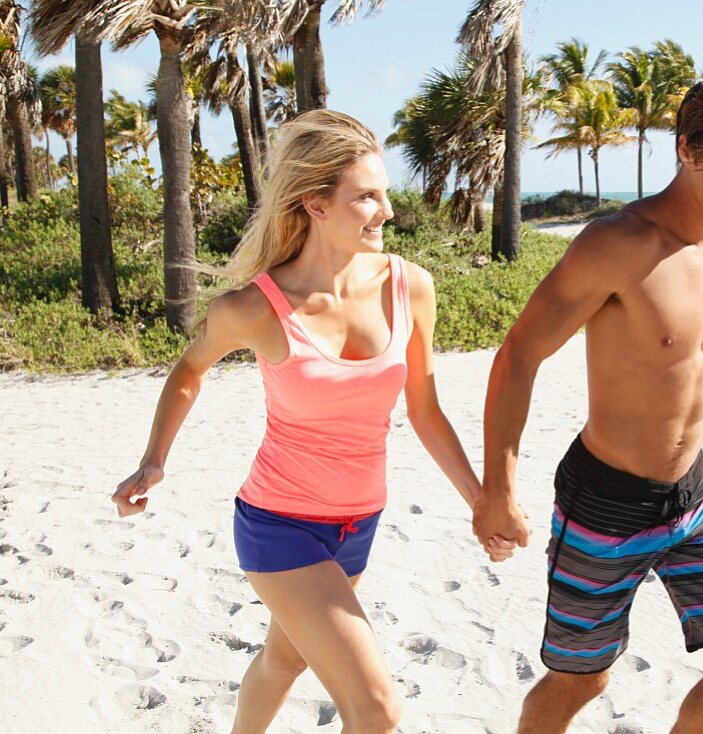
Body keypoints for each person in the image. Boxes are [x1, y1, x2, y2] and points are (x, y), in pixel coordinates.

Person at [112, 110, 512, 734]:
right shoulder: (255, 308)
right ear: (315, 204)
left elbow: (425, 409)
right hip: (278, 525)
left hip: (359, 521)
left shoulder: (410, 286)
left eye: (385, 193)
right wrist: (154, 457)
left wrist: (480, 500)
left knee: (285, 658)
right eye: (367, 197)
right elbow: (189, 371)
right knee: (376, 709)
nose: (387, 210)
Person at [474, 63, 703, 733]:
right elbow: (519, 355)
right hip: (605, 502)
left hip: (692, 495)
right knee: (580, 681)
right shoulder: (619, 243)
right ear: (686, 149)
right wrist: (497, 490)